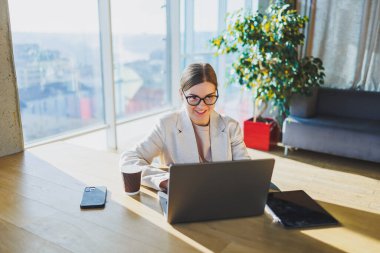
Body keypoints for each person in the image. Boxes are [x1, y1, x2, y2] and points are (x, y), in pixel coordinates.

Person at [119, 63, 250, 191]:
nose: (202, 106)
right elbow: (129, 159)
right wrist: (165, 181)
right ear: (182, 94)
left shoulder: (231, 127)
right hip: (183, 200)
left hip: (223, 196)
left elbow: (247, 171)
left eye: (209, 97)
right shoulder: (166, 125)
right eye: (193, 97)